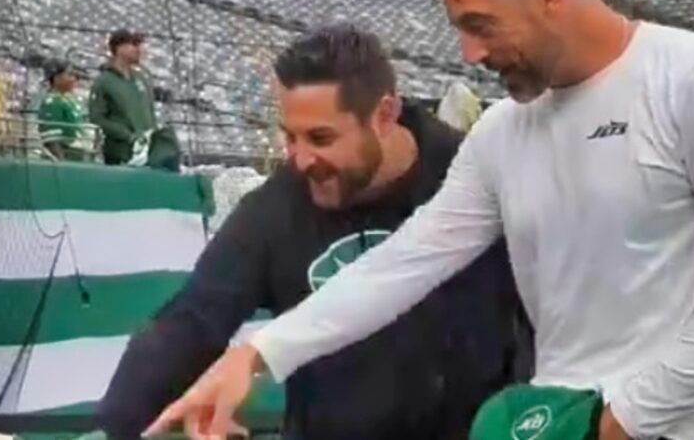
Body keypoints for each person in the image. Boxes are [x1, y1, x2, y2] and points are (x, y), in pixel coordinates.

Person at [148, 0, 694, 440]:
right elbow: (406, 261)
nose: (468, 53)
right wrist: (260, 352)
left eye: (482, 24)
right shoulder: (500, 132)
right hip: (551, 420)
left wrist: (614, 422)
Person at [99, 25, 527, 440]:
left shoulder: (471, 175)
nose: (301, 159)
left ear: (384, 114)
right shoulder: (276, 209)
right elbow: (192, 321)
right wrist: (117, 425)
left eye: (321, 138)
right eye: (290, 137)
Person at [88, 29, 157, 165]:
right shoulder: (103, 81)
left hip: (146, 149)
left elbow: (150, 112)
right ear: (120, 48)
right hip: (120, 151)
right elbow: (97, 117)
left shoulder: (142, 78)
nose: (139, 50)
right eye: (134, 45)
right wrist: (127, 135)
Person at [38, 60, 85, 161]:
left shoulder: (69, 100)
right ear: (56, 78)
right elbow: (51, 138)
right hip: (63, 158)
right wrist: (61, 163)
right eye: (69, 75)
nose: (74, 79)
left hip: (75, 155)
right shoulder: (52, 103)